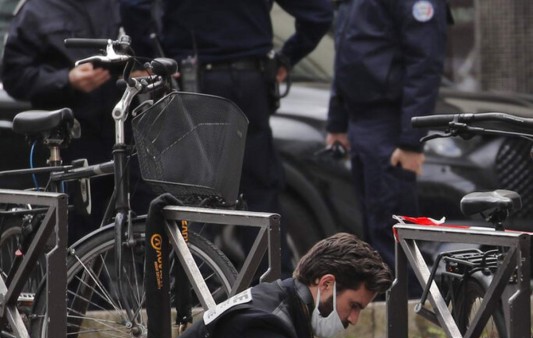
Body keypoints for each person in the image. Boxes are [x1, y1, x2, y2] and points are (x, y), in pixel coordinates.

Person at [119, 0, 334, 278]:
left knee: (191, 190)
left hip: (194, 82)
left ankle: (191, 294)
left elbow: (134, 6)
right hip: (250, 80)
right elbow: (318, 14)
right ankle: (272, 289)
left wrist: (149, 58)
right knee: (259, 192)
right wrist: (287, 57)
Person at [136, 232, 393, 338]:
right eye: (354, 306)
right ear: (326, 284)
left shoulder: (281, 305)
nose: (354, 319)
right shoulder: (261, 323)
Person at [326, 0, 449, 295]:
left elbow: (424, 64)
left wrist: (410, 139)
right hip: (362, 122)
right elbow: (345, 51)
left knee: (392, 231)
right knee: (372, 231)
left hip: (390, 123)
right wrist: (338, 121)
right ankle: (383, 314)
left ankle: (407, 318)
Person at [2, 0, 152, 241]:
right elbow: (14, 76)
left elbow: (148, 45)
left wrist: (140, 69)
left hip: (126, 132)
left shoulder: (119, 5)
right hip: (73, 138)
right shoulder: (35, 10)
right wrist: (66, 80)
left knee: (148, 218)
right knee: (79, 232)